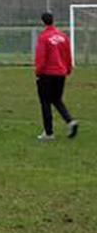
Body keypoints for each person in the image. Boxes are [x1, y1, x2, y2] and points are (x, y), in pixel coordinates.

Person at [34, 12, 78, 140]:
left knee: (45, 102)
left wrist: (38, 72)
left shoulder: (43, 37)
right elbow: (68, 55)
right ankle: (70, 121)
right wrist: (68, 69)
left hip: (47, 74)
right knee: (57, 99)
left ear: (42, 22)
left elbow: (41, 57)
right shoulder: (63, 37)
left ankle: (49, 132)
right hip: (61, 73)